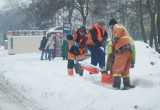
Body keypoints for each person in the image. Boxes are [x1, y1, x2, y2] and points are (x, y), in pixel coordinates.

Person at [108, 18, 135, 90]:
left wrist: (114, 39)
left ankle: (116, 86)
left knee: (117, 68)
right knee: (125, 69)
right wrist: (132, 61)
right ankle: (127, 85)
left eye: (110, 26)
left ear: (111, 24)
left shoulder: (116, 26)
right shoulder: (127, 34)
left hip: (121, 49)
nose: (110, 28)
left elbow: (121, 30)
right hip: (128, 50)